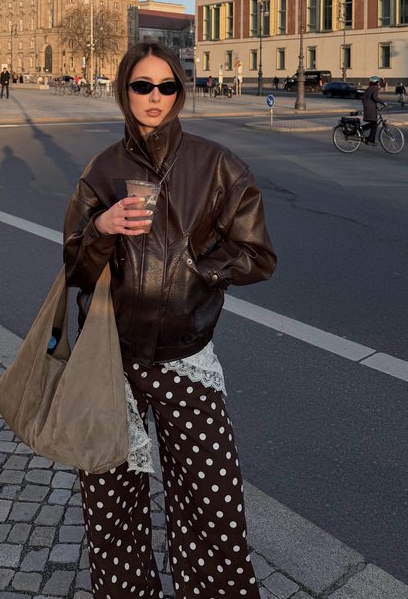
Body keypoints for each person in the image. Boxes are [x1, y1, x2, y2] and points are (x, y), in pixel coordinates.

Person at [64, 41, 277, 599]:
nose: (154, 97)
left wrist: (195, 269)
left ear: (180, 92)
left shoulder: (217, 164)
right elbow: (75, 268)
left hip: (186, 361)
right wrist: (101, 227)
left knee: (213, 508)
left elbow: (258, 255)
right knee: (110, 510)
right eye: (141, 86)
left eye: (166, 86)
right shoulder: (102, 169)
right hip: (111, 361)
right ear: (123, 91)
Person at [362, 75, 387, 144]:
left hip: (367, 108)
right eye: (378, 82)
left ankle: (362, 130)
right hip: (371, 109)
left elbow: (364, 99)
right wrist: (383, 103)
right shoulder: (375, 88)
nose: (378, 83)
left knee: (373, 123)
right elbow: (375, 98)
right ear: (376, 82)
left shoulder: (368, 88)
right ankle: (371, 140)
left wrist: (383, 80)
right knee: (374, 124)